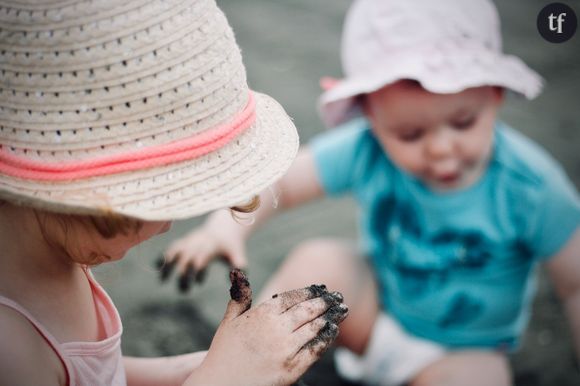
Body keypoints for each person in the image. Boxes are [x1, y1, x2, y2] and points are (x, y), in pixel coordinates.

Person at [162, 0, 580, 385]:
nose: (440, 148)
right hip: (372, 314)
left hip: (463, 352)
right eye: (409, 134)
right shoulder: (367, 148)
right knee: (321, 260)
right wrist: (225, 228)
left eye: (463, 122)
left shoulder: (530, 186)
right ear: (371, 116)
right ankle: (259, 356)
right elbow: (283, 183)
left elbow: (575, 282)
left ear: (494, 95)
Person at [0, 0, 349, 385]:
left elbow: (98, 376)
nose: (167, 226)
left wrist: (195, 369)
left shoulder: (52, 252)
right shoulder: (11, 350)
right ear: (82, 199)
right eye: (163, 201)